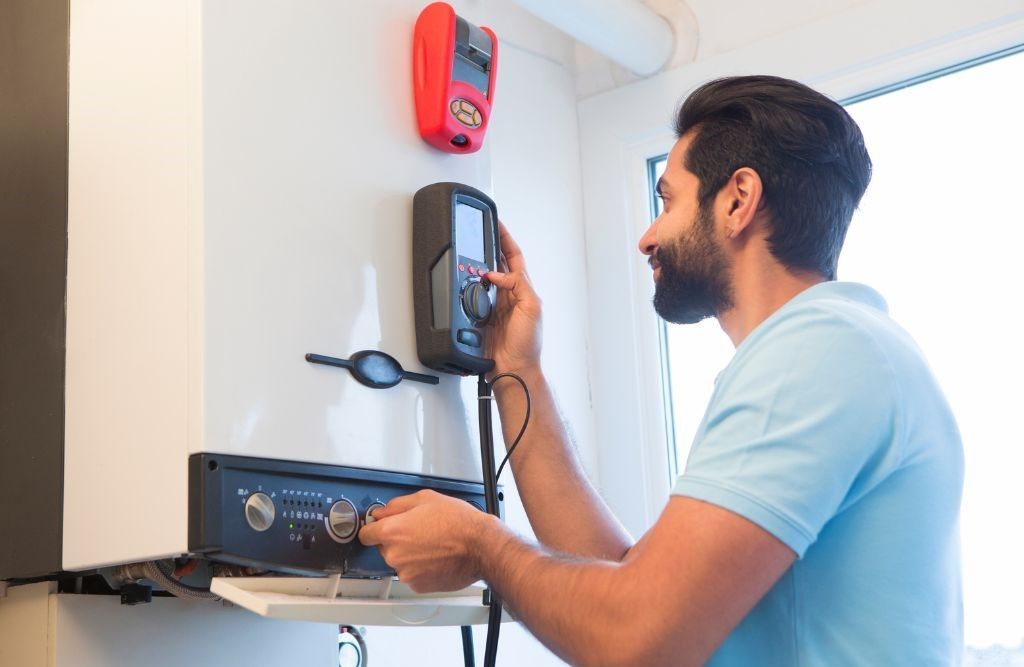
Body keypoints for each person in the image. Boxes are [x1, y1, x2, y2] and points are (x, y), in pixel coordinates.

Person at [359, 75, 963, 666]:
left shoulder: (816, 353)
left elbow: (636, 639)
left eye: (667, 201)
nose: (647, 238)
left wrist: (482, 545)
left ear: (737, 200)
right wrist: (519, 371)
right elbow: (624, 580)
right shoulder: (847, 348)